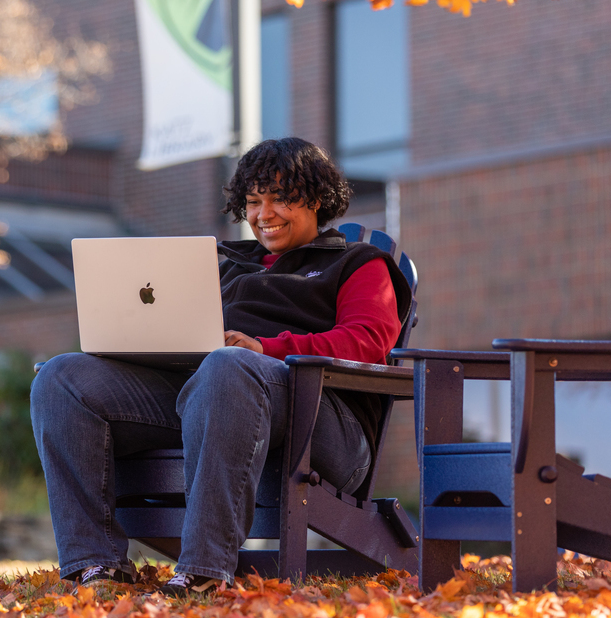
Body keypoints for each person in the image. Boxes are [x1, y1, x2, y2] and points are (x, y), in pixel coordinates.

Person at [30, 137, 412, 595]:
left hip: (321, 422)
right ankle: (95, 565)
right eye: (253, 202)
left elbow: (367, 342)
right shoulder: (225, 264)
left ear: (314, 199)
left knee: (228, 365)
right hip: (213, 396)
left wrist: (265, 349)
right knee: (62, 378)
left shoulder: (357, 263)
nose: (263, 214)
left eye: (280, 199)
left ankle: (204, 571)